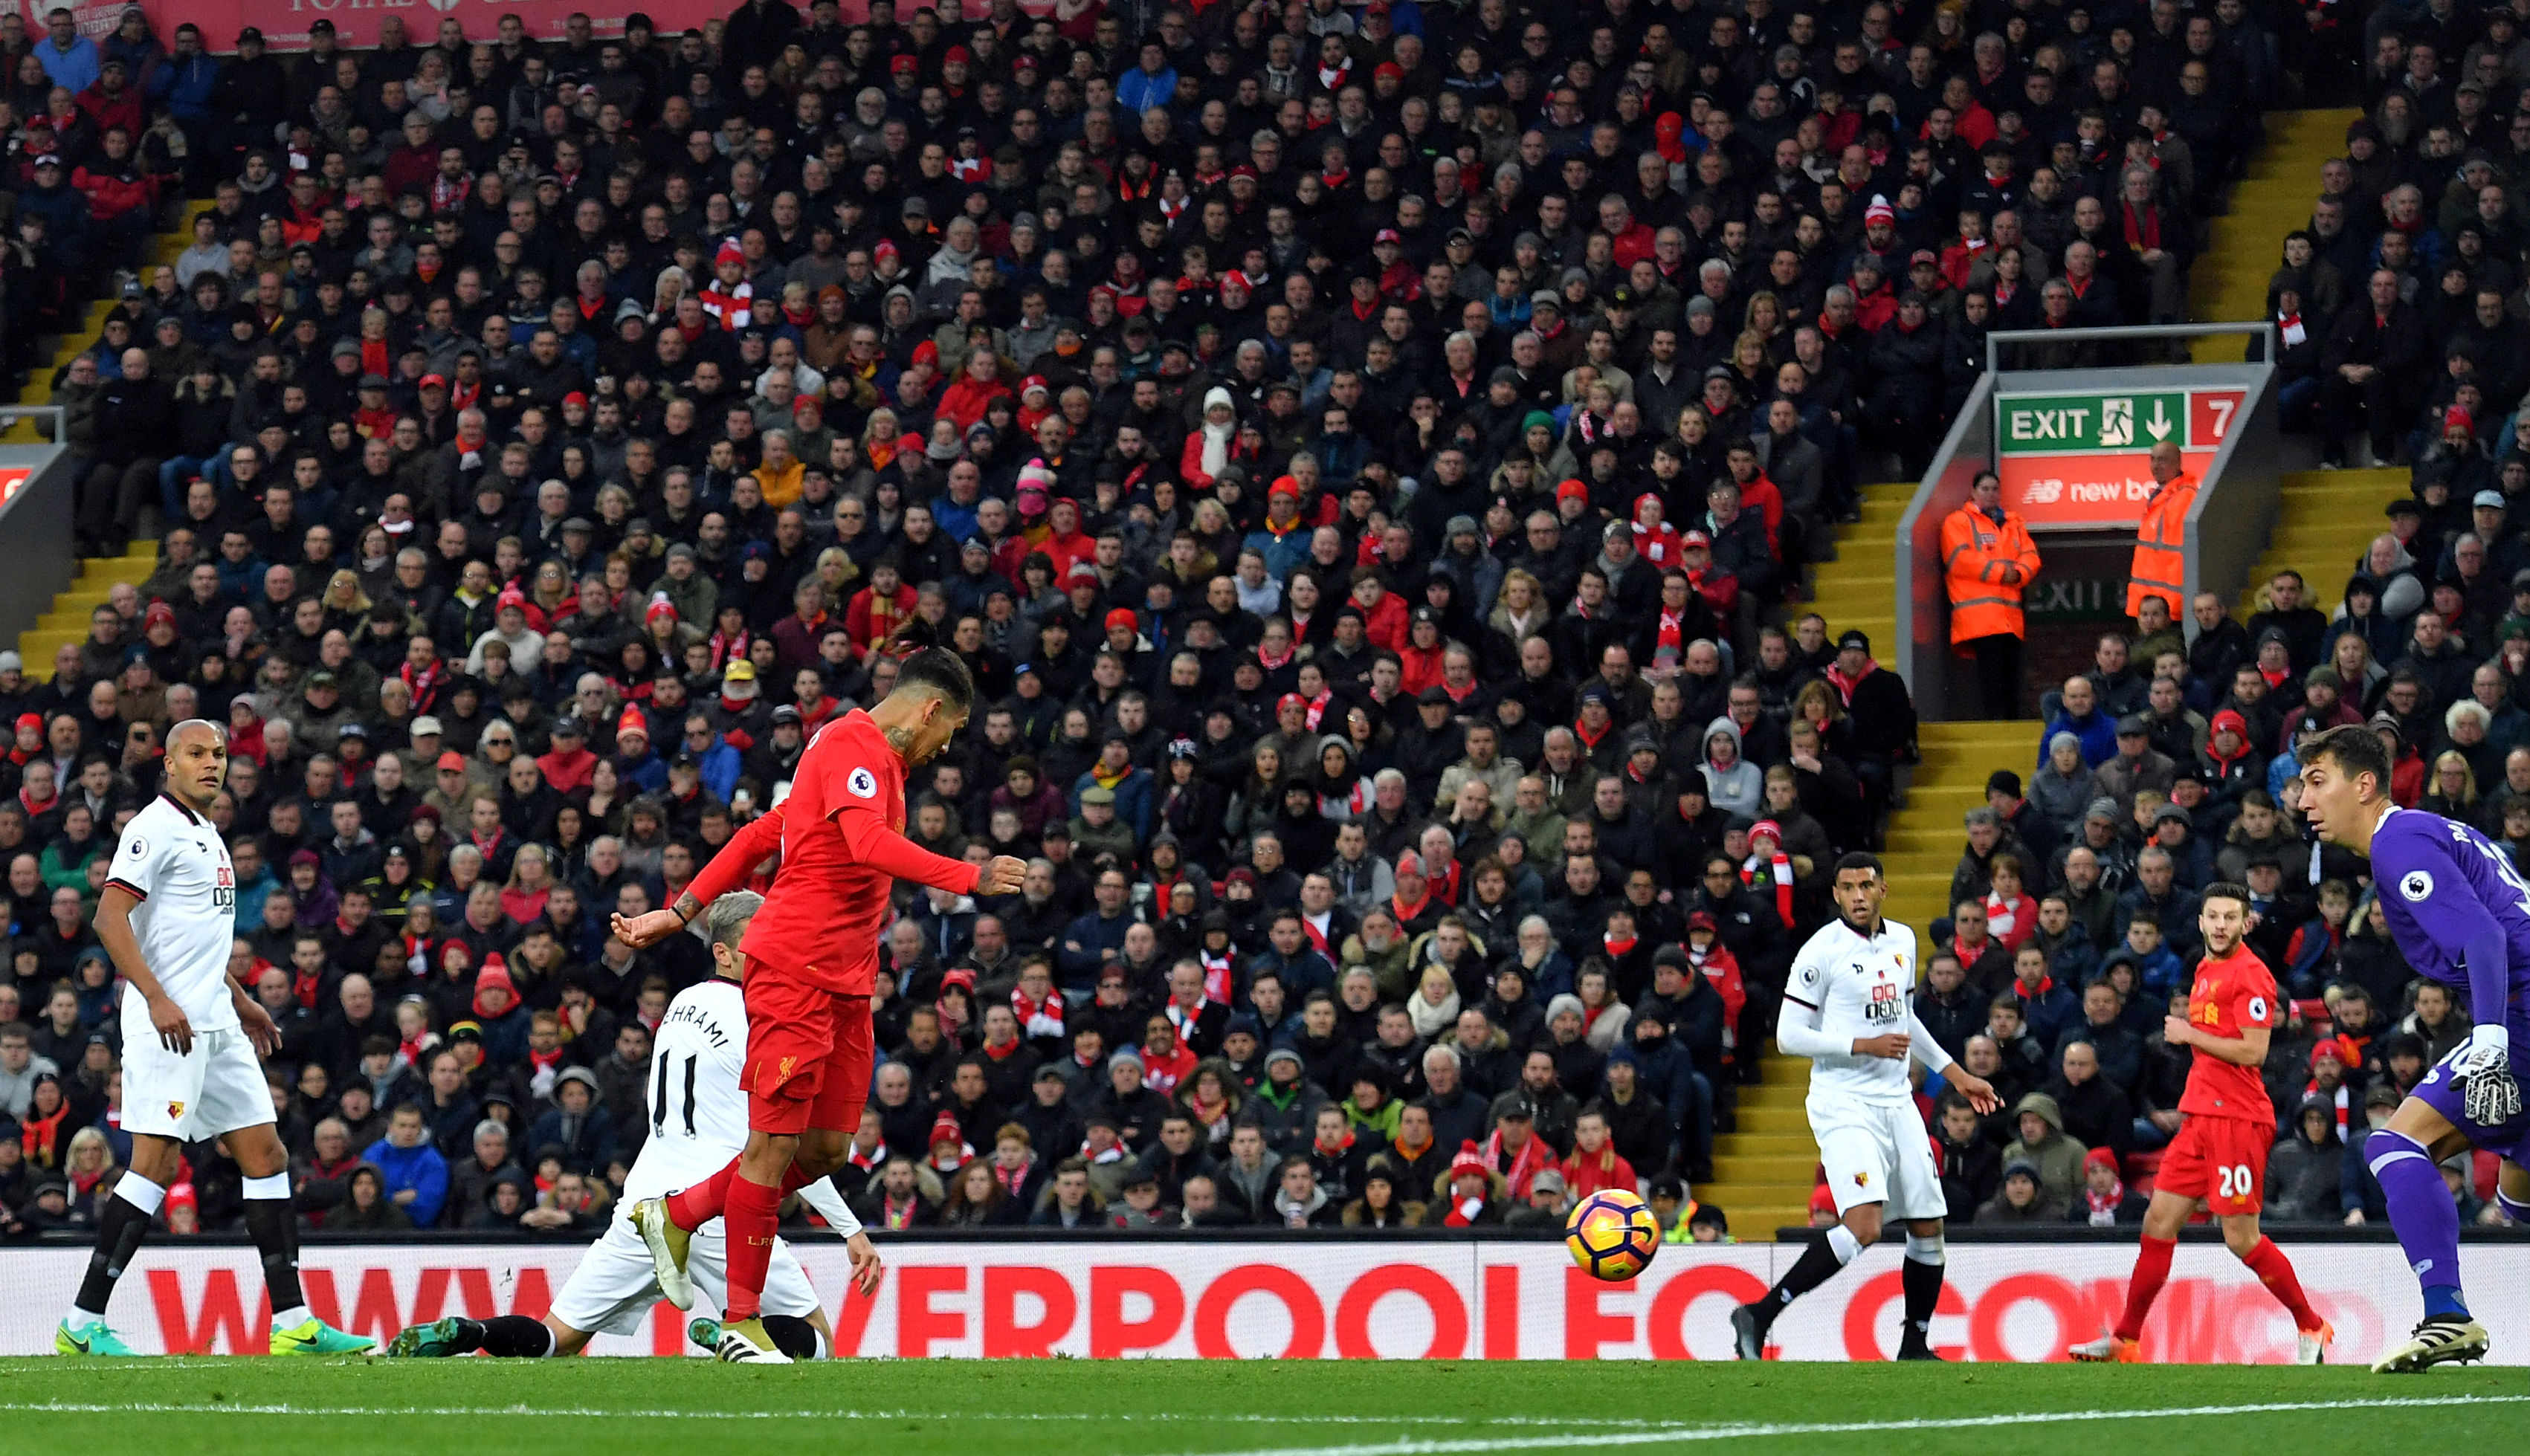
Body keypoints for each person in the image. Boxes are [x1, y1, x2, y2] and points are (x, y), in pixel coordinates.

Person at [610, 645, 1026, 1362]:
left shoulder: (867, 765)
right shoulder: (847, 744)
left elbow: (758, 835)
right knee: (772, 1145)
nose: (944, 748)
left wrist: (677, 913)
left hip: (846, 982)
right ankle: (742, 1323)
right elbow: (866, 845)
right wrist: (969, 876)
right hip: (794, 970)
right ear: (929, 710)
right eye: (948, 731)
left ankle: (677, 1213)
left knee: (828, 1148)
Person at [388, 891, 872, 1360]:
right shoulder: (759, 1019)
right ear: (723, 952)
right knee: (819, 1340)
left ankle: (474, 1330)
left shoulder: (681, 1004)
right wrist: (848, 1227)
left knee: (560, 1336)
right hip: (719, 1208)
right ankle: (729, 1335)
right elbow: (779, 1145)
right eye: (758, 939)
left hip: (643, 1203)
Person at [59, 720, 372, 1356]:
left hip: (217, 1023)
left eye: (220, 754)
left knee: (267, 1157)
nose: (212, 764)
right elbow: (109, 917)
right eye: (196, 754)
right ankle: (81, 1321)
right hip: (168, 1026)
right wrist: (156, 996)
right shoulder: (152, 828)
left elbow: (192, 940)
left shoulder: (208, 833)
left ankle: (292, 1323)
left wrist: (242, 997)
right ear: (169, 763)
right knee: (156, 1165)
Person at [2295, 723, 2530, 1373]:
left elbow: (2483, 938)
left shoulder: (2398, 841)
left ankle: (2446, 1314)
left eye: (2318, 781)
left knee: (2393, 1144)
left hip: (2520, 1012)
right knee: (2517, 1195)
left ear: (2364, 784)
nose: (2303, 799)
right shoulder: (2425, 831)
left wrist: (2486, 1036)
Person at [1731, 853, 1998, 1362]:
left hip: (1896, 1100)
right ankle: (1759, 1313)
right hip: (1843, 1101)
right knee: (1865, 1226)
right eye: (1847, 887)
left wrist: (1957, 1075)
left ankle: (1914, 1344)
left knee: (1926, 1225)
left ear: (1883, 890)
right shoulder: (1819, 952)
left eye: (1866, 885)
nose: (1857, 895)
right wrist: (1862, 1044)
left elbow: (1905, 1017)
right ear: (1835, 894)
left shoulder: (1902, 939)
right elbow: (1788, 1036)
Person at [2068, 882, 2331, 1363]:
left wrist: (2189, 1033)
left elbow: (2254, 1050)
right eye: (2212, 915)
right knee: (2157, 1220)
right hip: (2198, 1117)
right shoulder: (2205, 966)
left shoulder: (2251, 974)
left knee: (2239, 1237)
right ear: (2200, 919)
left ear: (2245, 922)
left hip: (2237, 1119)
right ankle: (2124, 1338)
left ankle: (2311, 1325)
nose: (2219, 924)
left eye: (2230, 917)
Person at [1940, 470, 2040, 718]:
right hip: (1980, 617)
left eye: (1995, 489)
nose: (1990, 494)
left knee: (2012, 674)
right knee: (1992, 674)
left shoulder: (2013, 523)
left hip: (2010, 616)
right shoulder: (1958, 521)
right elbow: (1959, 559)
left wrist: (2018, 574)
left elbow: (2031, 556)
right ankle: (1997, 721)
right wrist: (2000, 573)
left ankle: (2010, 720)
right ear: (1973, 492)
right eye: (1985, 489)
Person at [2124, 441, 2195, 622]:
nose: (2156, 466)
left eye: (2162, 460)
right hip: (2152, 605)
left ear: (2178, 463)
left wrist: (2171, 606)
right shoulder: (2161, 498)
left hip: (2169, 608)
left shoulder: (2185, 498)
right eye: (2153, 459)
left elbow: (2179, 556)